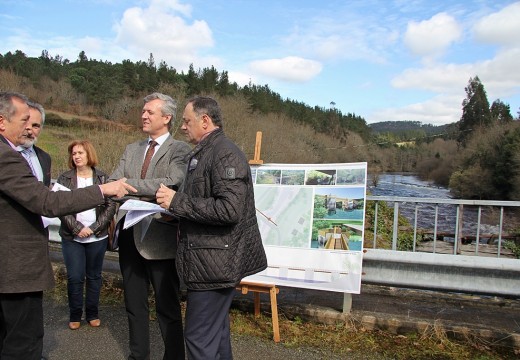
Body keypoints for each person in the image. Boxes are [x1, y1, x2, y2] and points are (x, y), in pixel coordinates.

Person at [0, 91, 136, 360]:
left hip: (17, 264)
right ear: (2, 122)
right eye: (24, 120)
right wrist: (103, 190)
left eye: (33, 122)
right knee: (22, 341)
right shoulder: (6, 156)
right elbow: (47, 201)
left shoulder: (27, 155)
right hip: (15, 267)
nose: (28, 127)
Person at [156, 96, 268, 360]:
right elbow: (207, 203)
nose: (182, 127)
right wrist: (175, 212)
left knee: (198, 339)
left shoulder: (224, 153)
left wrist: (177, 202)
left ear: (204, 121)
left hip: (215, 264)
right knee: (215, 338)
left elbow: (229, 210)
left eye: (186, 121)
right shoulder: (209, 151)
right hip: (211, 260)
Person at [109, 92, 191, 360]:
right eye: (143, 111)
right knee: (134, 304)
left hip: (161, 241)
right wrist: (144, 188)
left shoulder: (180, 150)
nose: (143, 115)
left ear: (166, 118)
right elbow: (112, 183)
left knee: (167, 307)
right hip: (130, 237)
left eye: (150, 112)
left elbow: (172, 183)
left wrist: (128, 186)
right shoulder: (131, 149)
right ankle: (138, 355)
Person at [56, 140, 117, 330]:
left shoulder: (102, 177)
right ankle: (75, 314)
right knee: (75, 276)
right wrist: (77, 228)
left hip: (97, 237)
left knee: (94, 276)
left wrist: (94, 228)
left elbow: (110, 205)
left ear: (89, 154)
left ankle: (92, 313)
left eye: (80, 152)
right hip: (71, 237)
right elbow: (59, 205)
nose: (76, 156)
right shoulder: (64, 179)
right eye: (74, 153)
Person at [17, 101, 51, 187]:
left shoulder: (45, 158)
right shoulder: (4, 152)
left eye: (35, 126)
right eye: (25, 123)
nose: (29, 130)